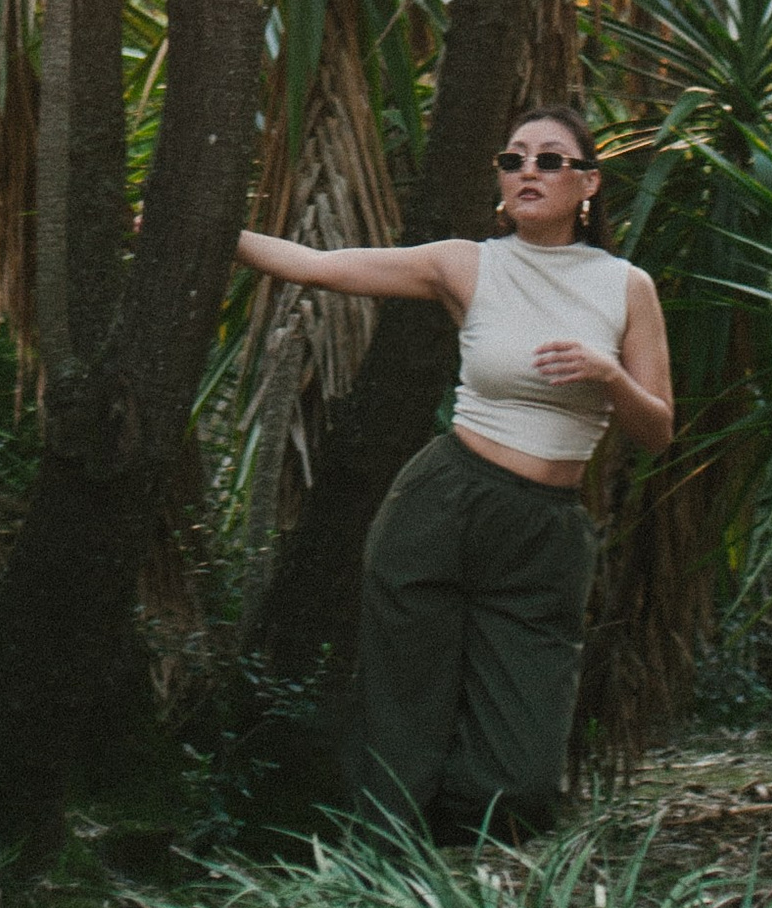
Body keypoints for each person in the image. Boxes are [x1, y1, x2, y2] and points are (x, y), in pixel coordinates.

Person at [238, 103, 672, 839]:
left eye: (548, 159)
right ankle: (386, 884)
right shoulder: (466, 264)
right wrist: (215, 232)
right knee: (403, 724)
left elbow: (657, 429)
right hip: (444, 503)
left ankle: (448, 856)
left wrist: (608, 374)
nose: (527, 170)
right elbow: (321, 267)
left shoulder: (626, 287)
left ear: (588, 183)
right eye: (513, 158)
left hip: (546, 532)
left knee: (522, 777)